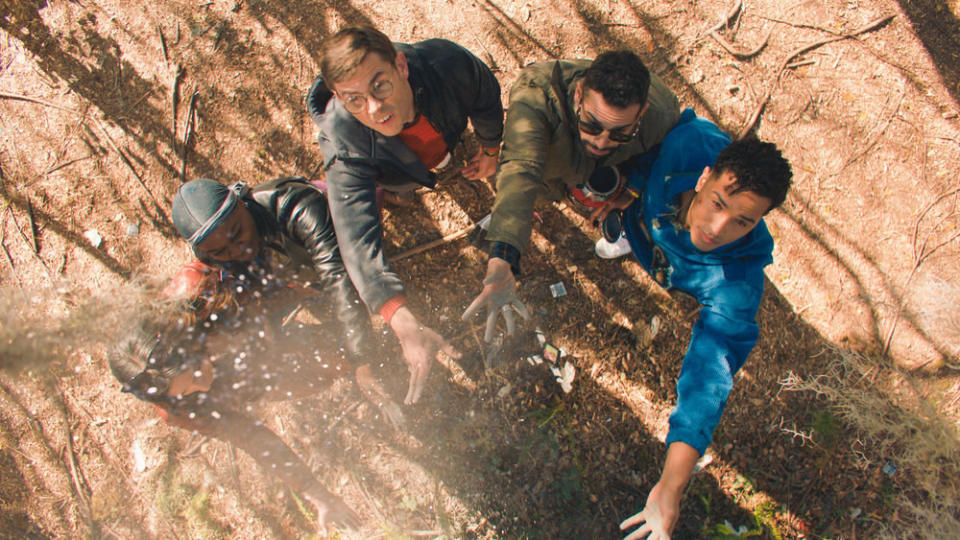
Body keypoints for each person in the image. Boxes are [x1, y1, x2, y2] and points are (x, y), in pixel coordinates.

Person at [587, 109, 792, 539]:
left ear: (761, 221)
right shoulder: (691, 142)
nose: (717, 228)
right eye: (718, 203)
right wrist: (630, 196)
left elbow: (708, 377)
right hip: (647, 230)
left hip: (674, 271)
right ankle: (629, 234)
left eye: (743, 221)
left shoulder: (737, 280)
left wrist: (671, 485)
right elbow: (650, 159)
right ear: (702, 179)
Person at [307, 26, 502, 402]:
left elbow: (484, 94)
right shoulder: (342, 141)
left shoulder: (445, 64)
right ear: (338, 98)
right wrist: (397, 315)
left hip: (448, 136)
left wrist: (491, 149)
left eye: (380, 86)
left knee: (442, 155)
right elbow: (354, 237)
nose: (374, 109)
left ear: (401, 65)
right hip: (398, 175)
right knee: (400, 186)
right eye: (355, 100)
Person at [111, 277, 372, 535]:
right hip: (257, 375)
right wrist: (314, 491)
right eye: (185, 392)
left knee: (312, 290)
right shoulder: (179, 411)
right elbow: (251, 437)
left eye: (195, 372)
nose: (201, 387)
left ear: (187, 340)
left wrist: (312, 285)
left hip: (255, 314)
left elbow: (272, 279)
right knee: (331, 368)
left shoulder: (205, 295)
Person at [462, 50, 681, 341]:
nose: (602, 141)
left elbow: (660, 155)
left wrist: (631, 190)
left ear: (641, 114)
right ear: (578, 94)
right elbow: (520, 170)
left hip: (608, 173)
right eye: (592, 124)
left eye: (619, 133)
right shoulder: (536, 96)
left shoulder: (661, 114)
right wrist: (503, 257)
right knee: (529, 189)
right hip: (552, 163)